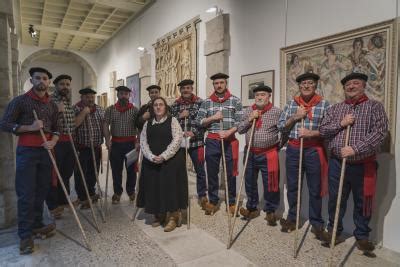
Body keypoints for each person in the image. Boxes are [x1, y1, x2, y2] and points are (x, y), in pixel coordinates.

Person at [319, 72, 388, 253]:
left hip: (363, 165)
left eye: (355, 83)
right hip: (337, 164)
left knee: (362, 202)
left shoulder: (375, 107)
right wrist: (341, 123)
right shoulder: (336, 109)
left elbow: (380, 133)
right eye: (348, 84)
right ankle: (334, 231)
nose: (351, 86)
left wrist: (355, 149)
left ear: (363, 86)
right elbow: (324, 131)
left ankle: (362, 236)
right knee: (336, 200)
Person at [0, 67, 59, 254]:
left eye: (45, 78)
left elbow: (57, 129)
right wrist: (29, 126)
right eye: (38, 78)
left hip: (45, 151)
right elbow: (5, 124)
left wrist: (54, 141)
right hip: (27, 151)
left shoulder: (52, 105)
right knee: (26, 193)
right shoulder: (20, 101)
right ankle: (25, 235)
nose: (42, 81)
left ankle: (37, 224)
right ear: (31, 80)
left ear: (49, 82)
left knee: (42, 190)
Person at [278, 72, 330, 240]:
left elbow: (329, 129)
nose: (306, 86)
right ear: (299, 86)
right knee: (293, 186)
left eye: (310, 83)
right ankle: (292, 218)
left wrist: (311, 133)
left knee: (315, 188)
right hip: (293, 149)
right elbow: (281, 127)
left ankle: (316, 223)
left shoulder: (324, 104)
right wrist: (295, 117)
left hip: (314, 150)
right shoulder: (291, 104)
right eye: (303, 84)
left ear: (315, 85)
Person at [137, 97, 188, 232]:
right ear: (152, 108)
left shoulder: (173, 121)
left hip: (171, 161)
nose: (158, 107)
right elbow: (143, 142)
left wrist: (164, 156)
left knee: (170, 187)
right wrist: (151, 156)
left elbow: (177, 140)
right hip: (152, 161)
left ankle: (173, 216)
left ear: (165, 107)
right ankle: (159, 214)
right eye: (155, 105)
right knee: (154, 186)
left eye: (161, 105)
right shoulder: (148, 123)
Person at [196, 73, 243, 215]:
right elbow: (199, 121)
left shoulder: (235, 101)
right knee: (212, 172)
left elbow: (240, 122)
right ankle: (213, 200)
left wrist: (229, 132)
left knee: (230, 172)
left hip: (229, 139)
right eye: (216, 83)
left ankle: (232, 202)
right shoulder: (207, 102)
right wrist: (213, 118)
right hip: (212, 140)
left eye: (221, 82)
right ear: (213, 85)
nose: (219, 85)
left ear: (226, 83)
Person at [237, 85, 282, 225]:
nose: (259, 97)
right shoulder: (248, 110)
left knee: (271, 183)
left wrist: (277, 147)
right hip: (250, 152)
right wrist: (250, 118)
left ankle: (270, 210)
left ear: (269, 96)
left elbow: (284, 131)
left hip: (268, 153)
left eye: (263, 94)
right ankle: (252, 207)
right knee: (250, 181)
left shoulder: (277, 112)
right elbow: (240, 129)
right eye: (257, 95)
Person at [171, 79, 207, 208]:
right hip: (180, 144)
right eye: (183, 88)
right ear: (180, 90)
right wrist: (180, 116)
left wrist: (194, 132)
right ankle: (180, 195)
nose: (186, 90)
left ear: (192, 88)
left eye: (188, 87)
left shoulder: (200, 103)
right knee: (179, 171)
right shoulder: (175, 105)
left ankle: (202, 195)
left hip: (196, 143)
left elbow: (204, 122)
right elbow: (170, 122)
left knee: (200, 171)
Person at [45, 74, 75, 219]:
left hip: (69, 141)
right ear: (56, 85)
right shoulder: (50, 100)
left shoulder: (67, 101)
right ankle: (54, 205)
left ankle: (64, 200)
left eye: (68, 84)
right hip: (56, 141)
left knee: (67, 172)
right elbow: (45, 121)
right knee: (55, 174)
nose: (65, 87)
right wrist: (57, 110)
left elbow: (72, 122)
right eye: (62, 84)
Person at [103, 86, 139, 204]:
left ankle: (131, 191)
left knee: (131, 170)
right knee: (116, 170)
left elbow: (139, 126)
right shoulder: (110, 109)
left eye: (126, 94)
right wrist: (107, 140)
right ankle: (117, 192)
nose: (123, 96)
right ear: (118, 95)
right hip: (116, 145)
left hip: (131, 144)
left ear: (129, 96)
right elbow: (105, 124)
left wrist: (138, 141)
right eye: (121, 94)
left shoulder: (134, 110)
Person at [73, 87, 105, 209]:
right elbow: (74, 124)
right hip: (82, 148)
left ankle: (91, 193)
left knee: (93, 172)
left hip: (96, 147)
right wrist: (84, 112)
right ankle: (82, 197)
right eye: (87, 97)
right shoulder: (75, 109)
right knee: (81, 173)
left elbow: (103, 126)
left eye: (92, 97)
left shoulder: (100, 110)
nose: (90, 99)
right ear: (82, 97)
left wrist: (106, 140)